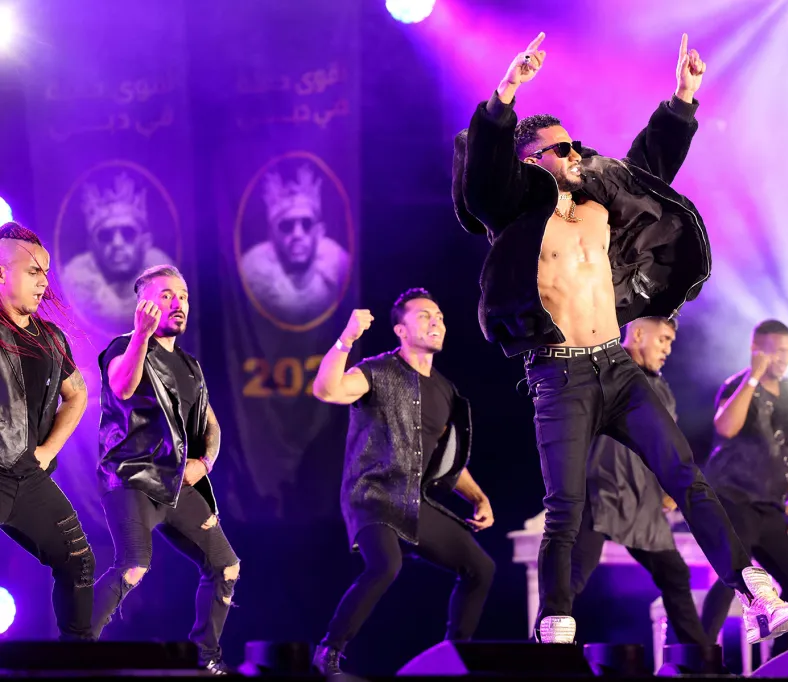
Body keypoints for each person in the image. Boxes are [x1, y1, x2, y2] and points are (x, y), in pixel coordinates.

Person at [452, 31, 788, 644]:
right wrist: (506, 91)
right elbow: (482, 179)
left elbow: (648, 169)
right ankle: (555, 621)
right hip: (558, 373)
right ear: (530, 160)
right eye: (560, 147)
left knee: (685, 475)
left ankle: (754, 593)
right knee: (566, 505)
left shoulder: (599, 202)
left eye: (574, 143)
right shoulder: (514, 214)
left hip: (617, 367)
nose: (575, 153)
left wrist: (682, 100)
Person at [310, 288, 497, 675]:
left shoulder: (445, 391)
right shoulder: (378, 370)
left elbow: (447, 463)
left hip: (412, 500)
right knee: (385, 566)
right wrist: (346, 339)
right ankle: (328, 652)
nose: (436, 322)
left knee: (481, 568)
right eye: (425, 316)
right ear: (400, 330)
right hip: (373, 494)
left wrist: (479, 498)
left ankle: (454, 659)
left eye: (439, 316)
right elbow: (327, 390)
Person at [91, 265, 238, 675]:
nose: (179, 303)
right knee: (133, 566)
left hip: (176, 484)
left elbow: (210, 425)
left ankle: (205, 659)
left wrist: (205, 463)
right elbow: (122, 387)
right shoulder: (124, 346)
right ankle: (75, 649)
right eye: (167, 295)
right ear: (144, 304)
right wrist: (141, 335)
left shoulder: (191, 366)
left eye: (184, 296)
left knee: (226, 566)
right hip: (132, 476)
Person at [570, 317, 709, 649]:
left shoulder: (661, 389)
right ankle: (541, 651)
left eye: (671, 342)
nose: (667, 349)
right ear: (638, 334)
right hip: (600, 489)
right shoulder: (605, 371)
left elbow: (667, 444)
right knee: (572, 574)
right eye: (662, 340)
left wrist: (669, 487)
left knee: (675, 574)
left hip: (642, 502)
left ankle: (699, 659)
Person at [0, 222, 93, 641]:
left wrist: (47, 450)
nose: (43, 282)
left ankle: (78, 664)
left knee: (79, 562)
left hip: (29, 478)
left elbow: (78, 395)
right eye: (33, 271)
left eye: (46, 273)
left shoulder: (51, 339)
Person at [699, 320, 788, 658]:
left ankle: (779, 662)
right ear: (757, 350)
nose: (785, 359)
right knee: (734, 577)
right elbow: (725, 427)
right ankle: (699, 656)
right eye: (778, 352)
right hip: (735, 498)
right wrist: (753, 376)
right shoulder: (738, 385)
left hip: (770, 505)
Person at [240, 164, 350, 326]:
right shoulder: (252, 273)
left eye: (306, 224)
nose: (297, 235)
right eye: (286, 226)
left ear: (319, 232)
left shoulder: (339, 267)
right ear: (272, 235)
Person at [63, 173, 174, 329]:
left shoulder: (166, 279)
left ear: (145, 242)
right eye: (105, 235)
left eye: (128, 233)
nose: (117, 243)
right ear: (93, 247)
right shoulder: (75, 284)